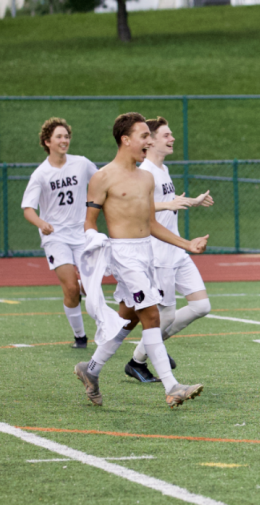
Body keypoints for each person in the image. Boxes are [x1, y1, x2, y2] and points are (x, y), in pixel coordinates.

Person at [74, 112, 209, 408]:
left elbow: (152, 225)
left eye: (150, 136)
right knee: (152, 316)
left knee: (128, 319)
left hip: (147, 253)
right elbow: (89, 223)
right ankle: (172, 387)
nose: (148, 141)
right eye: (144, 136)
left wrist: (188, 244)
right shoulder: (102, 177)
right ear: (126, 140)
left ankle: (91, 369)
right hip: (123, 256)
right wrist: (90, 257)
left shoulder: (147, 177)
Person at [124, 116, 214, 383]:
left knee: (201, 306)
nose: (172, 138)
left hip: (176, 250)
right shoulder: (146, 172)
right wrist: (169, 205)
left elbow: (165, 201)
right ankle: (137, 360)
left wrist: (191, 201)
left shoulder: (162, 170)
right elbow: (141, 210)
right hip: (158, 254)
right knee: (165, 316)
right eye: (166, 135)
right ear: (150, 141)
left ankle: (149, 351)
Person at [21, 118, 97, 348]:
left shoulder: (82, 164)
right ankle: (80, 336)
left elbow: (102, 182)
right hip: (55, 237)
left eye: (66, 136)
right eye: (59, 137)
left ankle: (105, 329)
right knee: (72, 288)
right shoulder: (41, 174)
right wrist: (41, 223)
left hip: (82, 233)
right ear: (47, 142)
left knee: (90, 287)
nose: (64, 140)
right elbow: (28, 209)